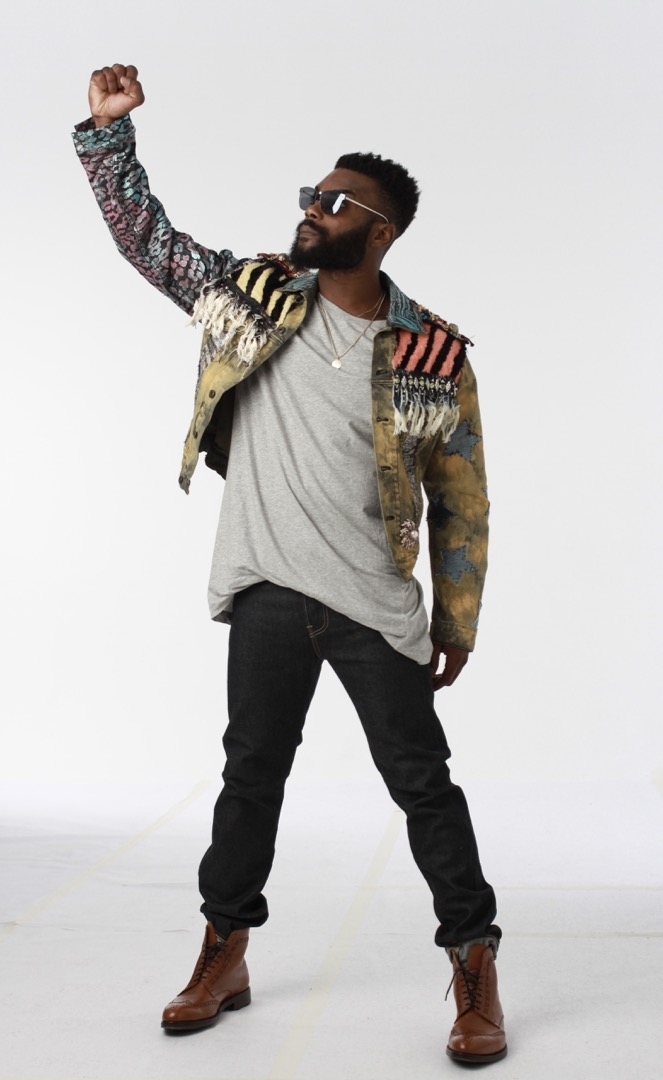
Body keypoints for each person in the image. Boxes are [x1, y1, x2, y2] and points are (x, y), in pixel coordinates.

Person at [72, 63, 507, 1065]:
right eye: (311, 194)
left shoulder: (432, 354)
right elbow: (147, 240)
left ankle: (474, 963)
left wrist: (455, 618)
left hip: (372, 606)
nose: (312, 209)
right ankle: (223, 952)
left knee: (422, 784)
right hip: (268, 587)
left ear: (381, 232)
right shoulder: (253, 295)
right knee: (250, 777)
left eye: (334, 202)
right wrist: (108, 134)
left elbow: (462, 500)